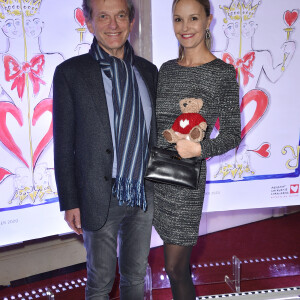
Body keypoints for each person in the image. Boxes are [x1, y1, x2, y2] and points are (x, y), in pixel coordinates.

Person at [53, 0, 158, 299]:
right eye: (103, 16)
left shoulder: (149, 72)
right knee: (100, 282)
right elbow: (64, 143)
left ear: (131, 21)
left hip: (143, 192)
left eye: (120, 15)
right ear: (89, 23)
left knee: (135, 278)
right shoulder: (70, 73)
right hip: (97, 195)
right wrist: (69, 200)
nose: (113, 25)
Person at [153, 0, 241, 299]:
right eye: (178, 19)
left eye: (193, 18)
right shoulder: (165, 70)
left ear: (208, 21)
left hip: (184, 183)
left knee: (176, 268)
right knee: (141, 260)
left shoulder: (223, 73)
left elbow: (232, 135)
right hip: (149, 175)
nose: (185, 27)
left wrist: (199, 148)